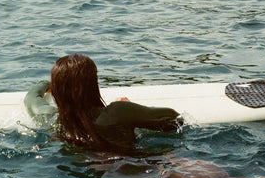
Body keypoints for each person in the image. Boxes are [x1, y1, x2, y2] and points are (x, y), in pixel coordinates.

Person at [24, 53, 182, 152]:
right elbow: (174, 119)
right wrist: (132, 108)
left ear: (57, 91)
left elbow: (31, 98)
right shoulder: (117, 112)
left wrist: (50, 83)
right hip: (135, 171)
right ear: (93, 84)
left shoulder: (52, 120)